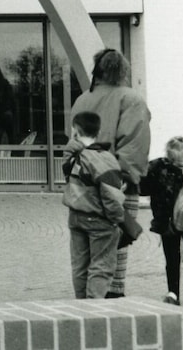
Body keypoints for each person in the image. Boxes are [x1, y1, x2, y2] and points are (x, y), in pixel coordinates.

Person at [71, 48, 152, 298]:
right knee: (115, 249)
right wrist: (123, 178)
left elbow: (73, 144)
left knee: (83, 254)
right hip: (116, 185)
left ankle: (82, 304)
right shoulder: (131, 99)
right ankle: (108, 305)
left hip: (82, 188)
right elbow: (135, 147)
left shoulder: (83, 99)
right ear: (123, 71)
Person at [61, 110, 126, 299]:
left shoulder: (72, 156)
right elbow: (111, 195)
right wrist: (117, 219)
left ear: (75, 132)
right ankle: (93, 310)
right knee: (101, 267)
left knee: (79, 266)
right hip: (99, 219)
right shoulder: (104, 158)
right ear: (98, 131)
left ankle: (81, 306)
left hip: (76, 216)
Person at [139, 136, 183, 307]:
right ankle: (173, 294)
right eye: (173, 159)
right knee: (171, 258)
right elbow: (144, 187)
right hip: (167, 221)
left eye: (180, 160)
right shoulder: (159, 166)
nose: (176, 164)